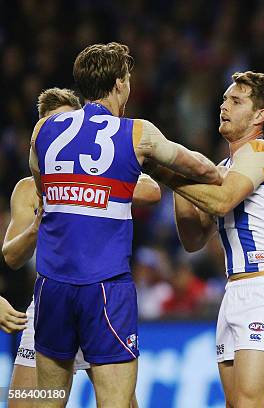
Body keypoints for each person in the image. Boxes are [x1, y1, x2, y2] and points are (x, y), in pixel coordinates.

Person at [27, 43, 219, 408]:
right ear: (119, 83)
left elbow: (44, 190)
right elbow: (202, 170)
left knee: (46, 399)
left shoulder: (43, 129)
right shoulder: (137, 133)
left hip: (51, 284)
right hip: (104, 286)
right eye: (128, 79)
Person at [147, 71, 264, 408]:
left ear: (259, 116)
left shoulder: (262, 151)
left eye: (236, 101)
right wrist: (180, 172)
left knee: (250, 403)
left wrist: (166, 172)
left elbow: (222, 201)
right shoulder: (222, 166)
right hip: (235, 291)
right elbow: (193, 239)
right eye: (224, 99)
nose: (224, 105)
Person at [3, 87, 160, 408]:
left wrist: (85, 187)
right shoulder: (26, 190)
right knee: (22, 402)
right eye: (49, 127)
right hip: (50, 302)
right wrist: (36, 226)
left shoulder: (105, 168)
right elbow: (12, 256)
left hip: (97, 295)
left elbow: (152, 190)